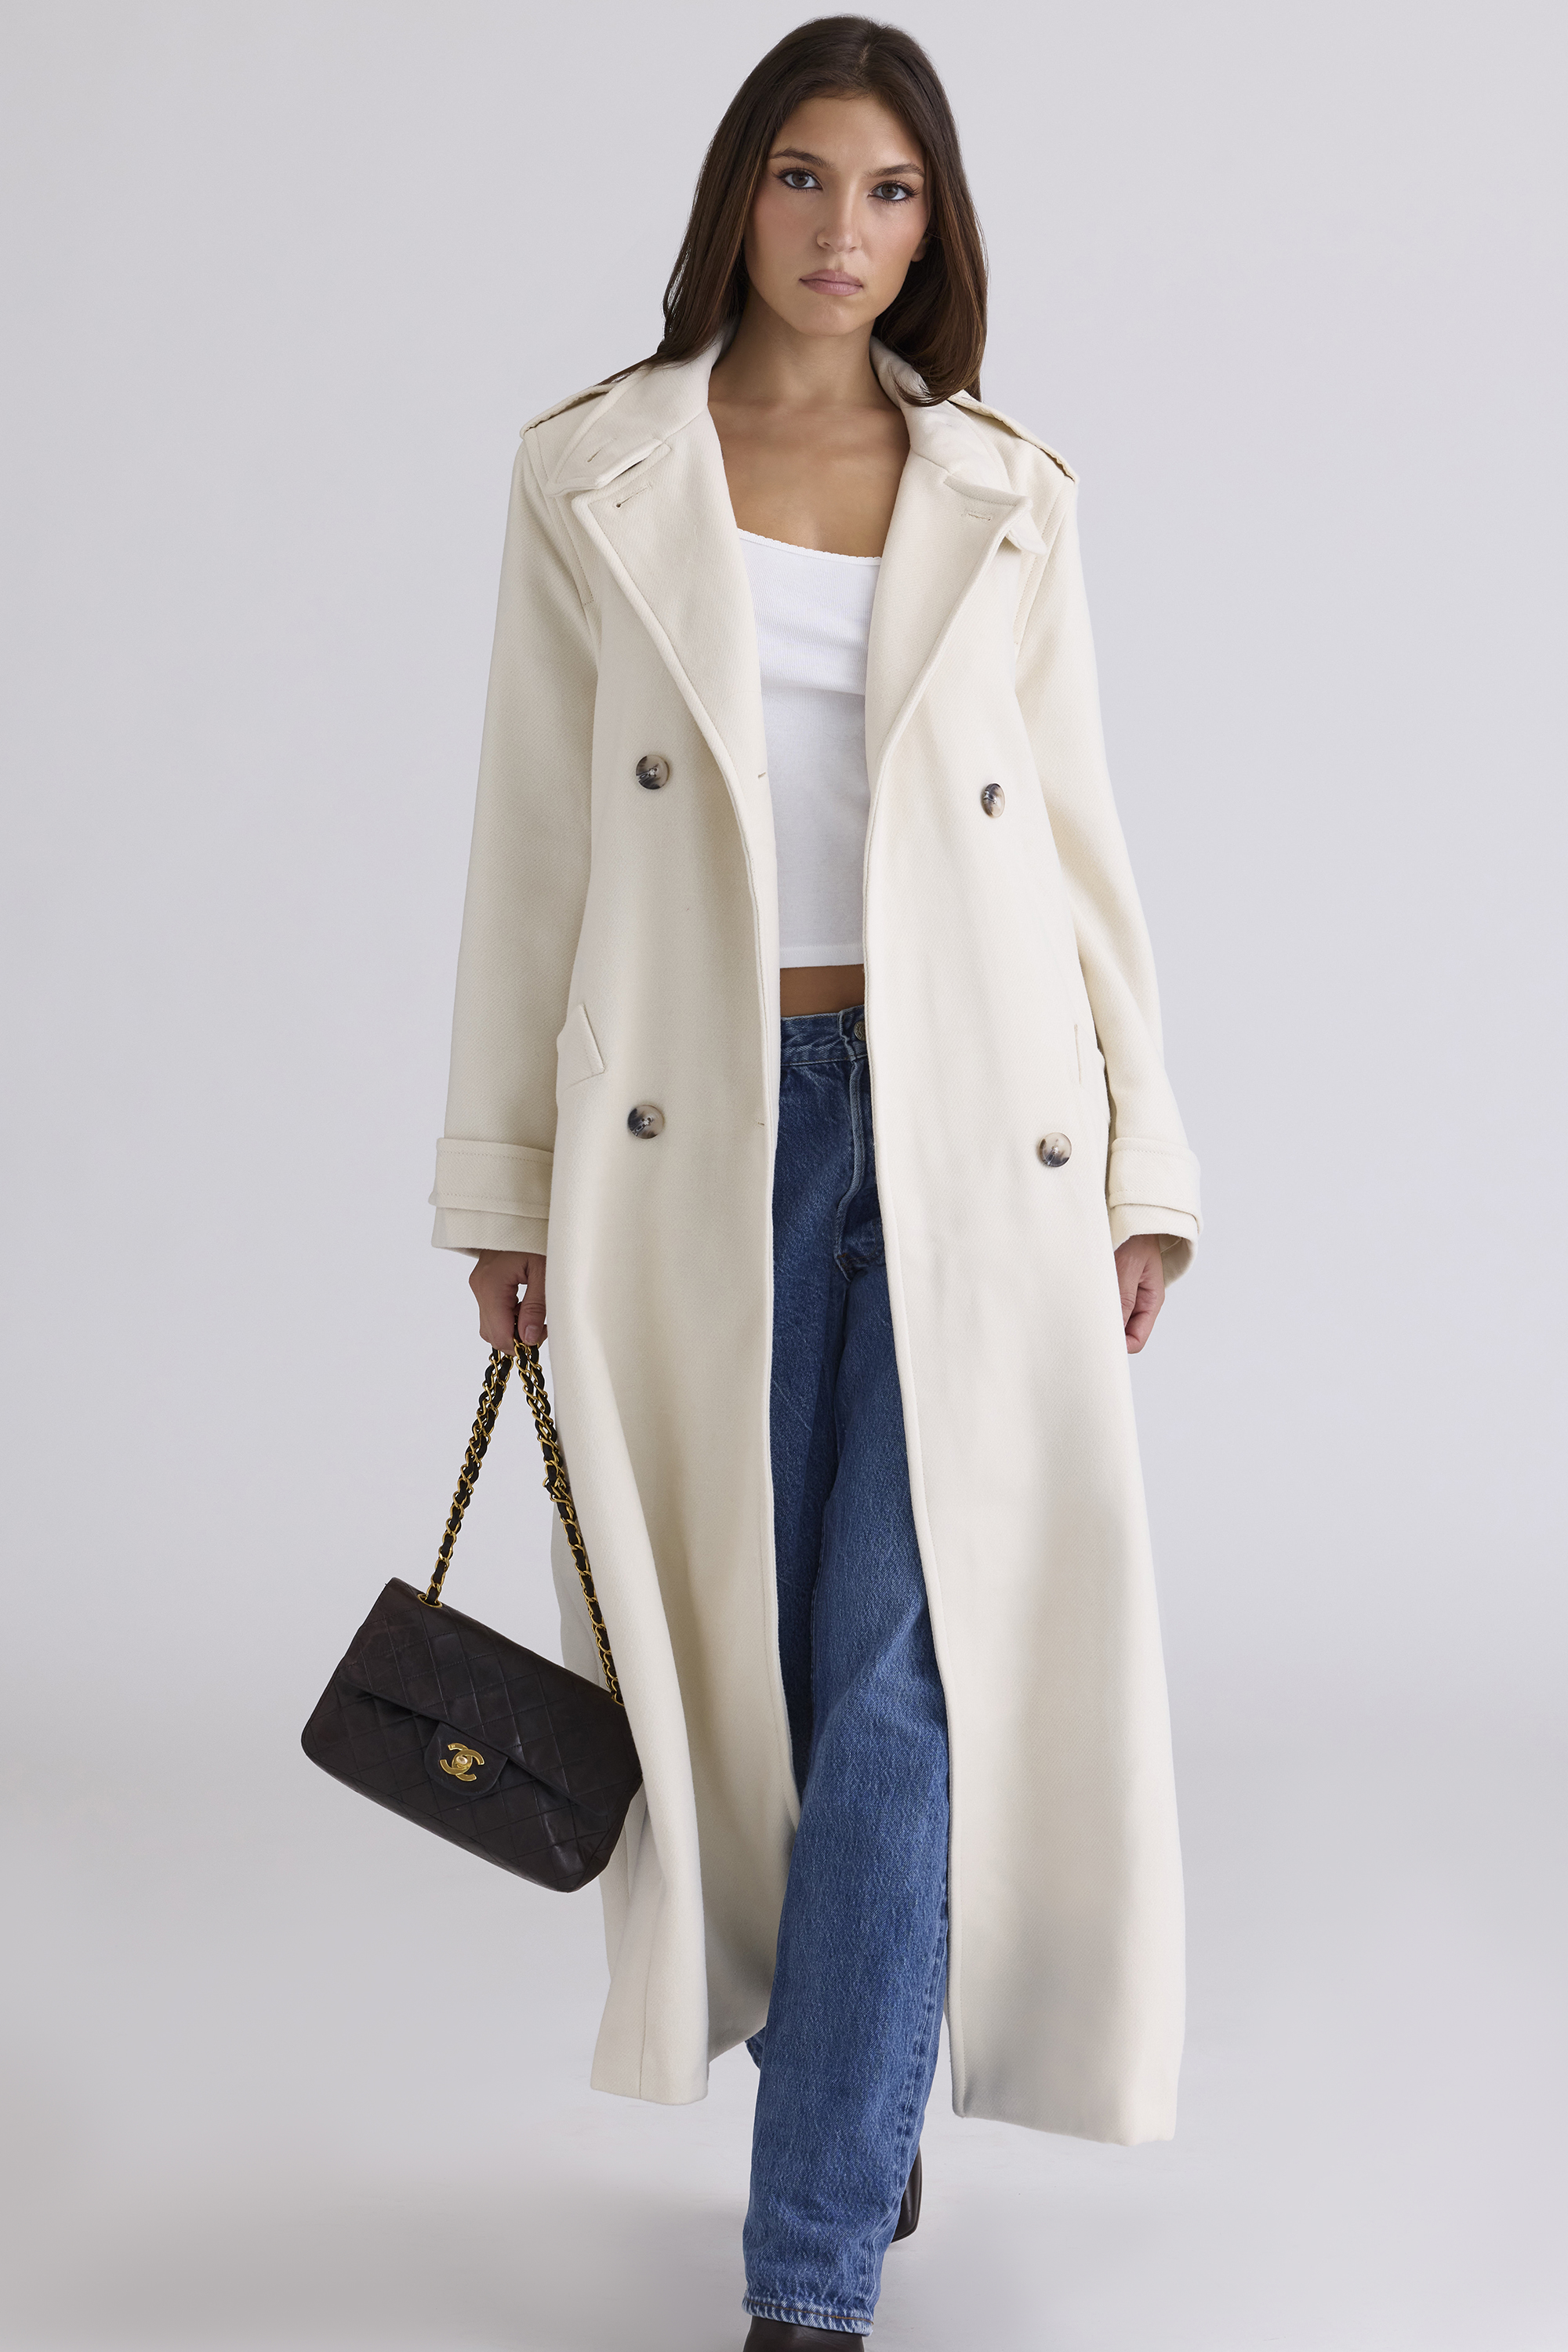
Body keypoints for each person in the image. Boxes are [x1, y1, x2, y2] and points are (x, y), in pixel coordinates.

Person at [430, 16, 1201, 2345]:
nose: (843, 232)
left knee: (894, 1681)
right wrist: (506, 1185)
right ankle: (856, 2085)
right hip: (693, 1135)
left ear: (933, 224)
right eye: (801, 178)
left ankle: (809, 2272)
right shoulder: (592, 472)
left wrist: (1142, 1156)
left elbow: (1077, 843)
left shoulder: (1005, 491)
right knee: (740, 1683)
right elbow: (533, 849)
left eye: (889, 192)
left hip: (974, 1135)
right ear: (736, 198)